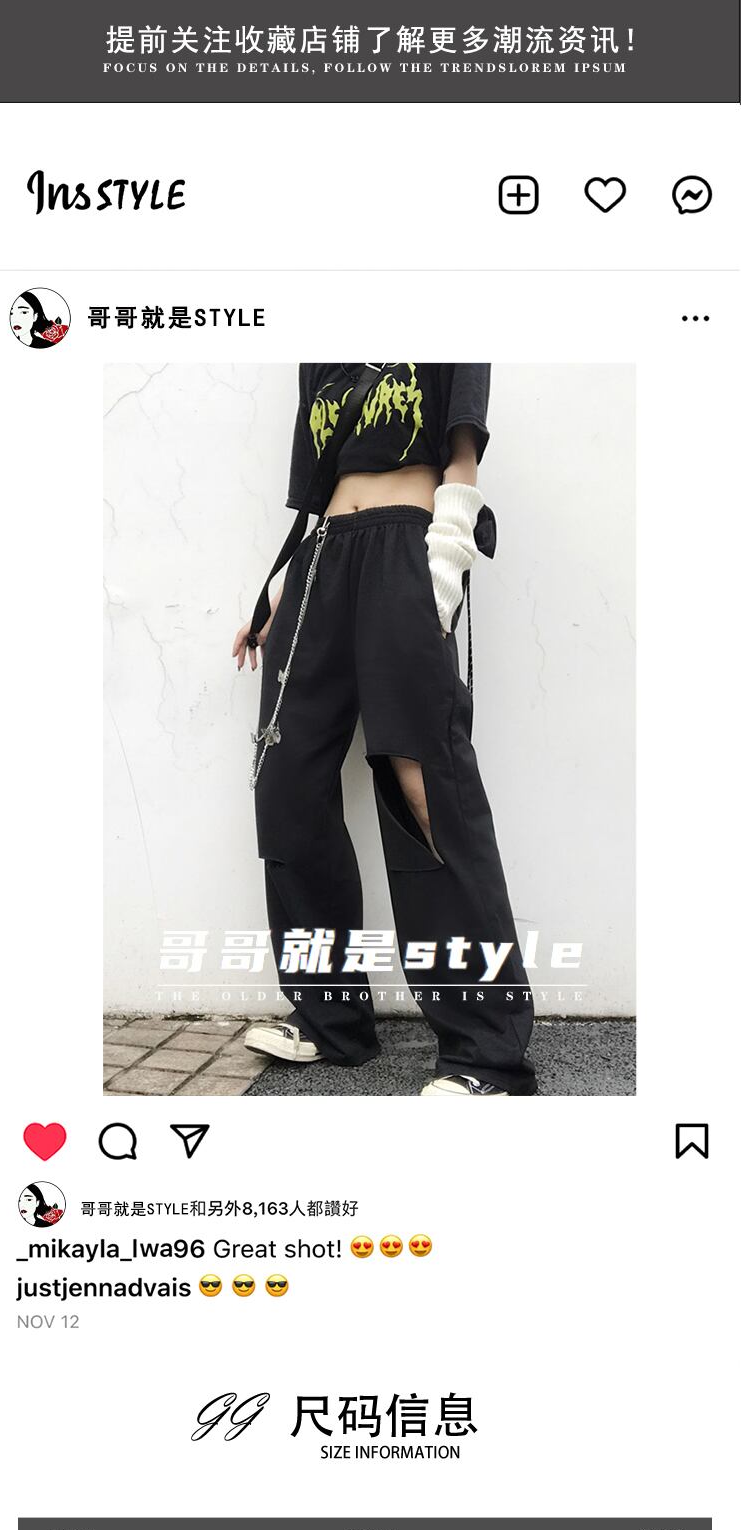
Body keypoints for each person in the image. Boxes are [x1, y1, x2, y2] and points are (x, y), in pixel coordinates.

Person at [232, 362, 536, 1098]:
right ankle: (330, 1017)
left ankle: (485, 1051)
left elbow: (461, 456)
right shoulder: (321, 357)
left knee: (423, 785)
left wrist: (445, 564)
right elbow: (319, 493)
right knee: (287, 781)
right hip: (322, 559)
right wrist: (278, 589)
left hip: (408, 547)